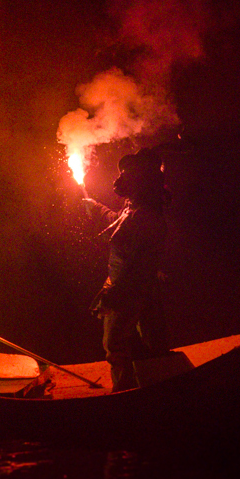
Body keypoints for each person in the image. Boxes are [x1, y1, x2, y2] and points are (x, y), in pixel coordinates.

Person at [84, 148, 171, 392]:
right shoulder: (135, 210)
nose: (118, 179)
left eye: (126, 173)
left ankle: (124, 394)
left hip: (131, 287)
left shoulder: (147, 217)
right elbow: (121, 227)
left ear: (141, 179)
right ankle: (153, 387)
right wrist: (97, 207)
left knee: (116, 344)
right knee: (150, 343)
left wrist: (117, 292)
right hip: (134, 286)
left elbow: (139, 262)